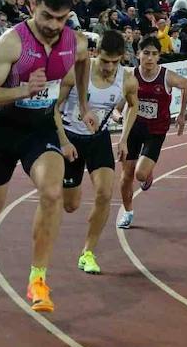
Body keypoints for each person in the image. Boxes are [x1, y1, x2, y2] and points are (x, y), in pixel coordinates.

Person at [0, 0, 90, 315]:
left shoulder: (75, 42)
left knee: (52, 193)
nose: (53, 26)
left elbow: (85, 60)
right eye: (47, 17)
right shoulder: (13, 43)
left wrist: (84, 103)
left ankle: (37, 280)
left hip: (40, 128)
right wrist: (23, 91)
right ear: (32, 6)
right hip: (4, 129)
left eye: (61, 19)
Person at [56, 30, 132, 275]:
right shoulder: (75, 72)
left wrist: (123, 139)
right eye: (105, 60)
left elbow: (134, 105)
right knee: (71, 205)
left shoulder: (127, 80)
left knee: (104, 193)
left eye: (115, 62)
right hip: (71, 139)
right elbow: (53, 109)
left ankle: (88, 252)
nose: (110, 67)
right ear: (95, 53)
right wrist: (63, 141)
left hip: (99, 139)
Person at [115, 36, 187, 229]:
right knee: (126, 176)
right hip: (133, 128)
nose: (150, 58)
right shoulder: (130, 76)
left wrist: (182, 114)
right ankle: (128, 211)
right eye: (146, 53)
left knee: (140, 174)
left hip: (156, 131)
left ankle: (147, 173)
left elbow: (186, 84)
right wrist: (116, 114)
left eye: (154, 54)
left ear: (159, 56)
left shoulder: (166, 76)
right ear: (138, 54)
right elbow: (120, 104)